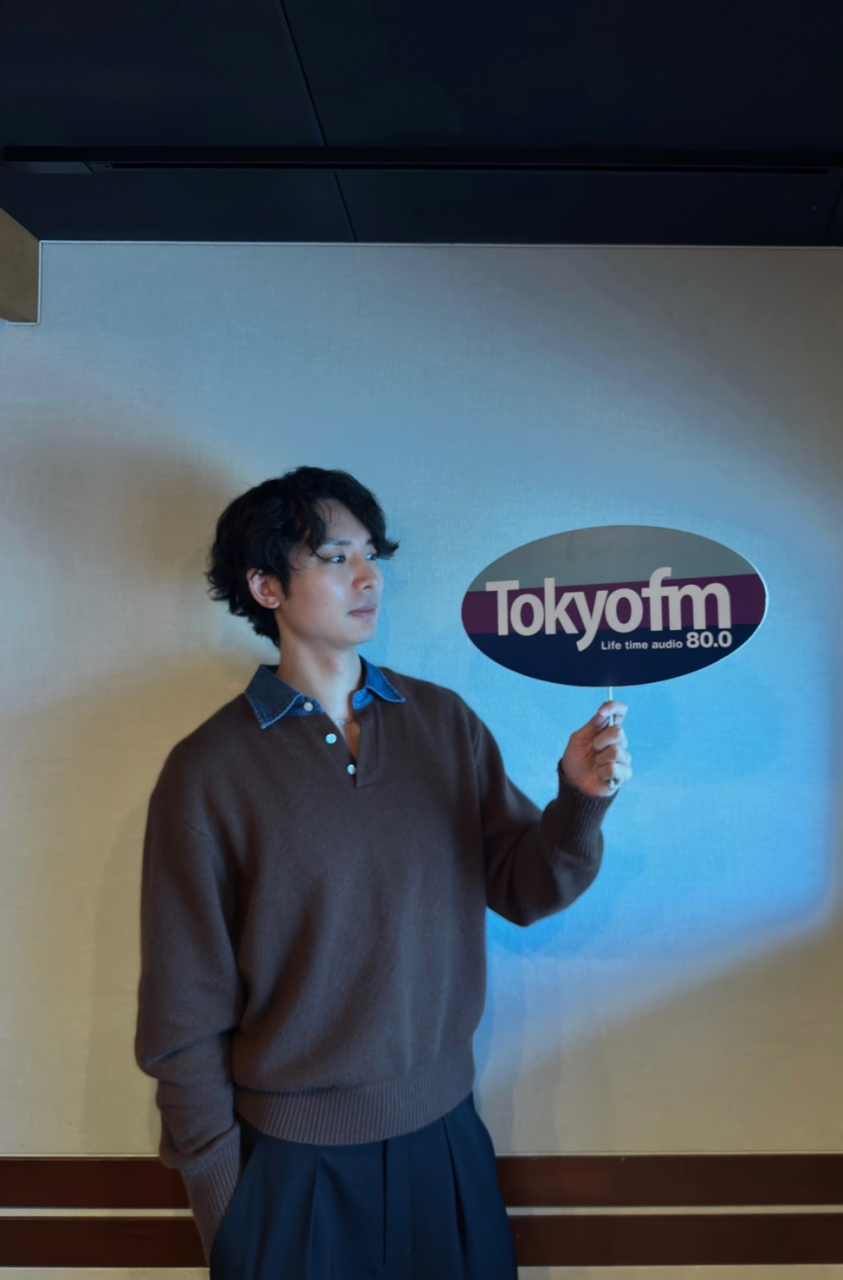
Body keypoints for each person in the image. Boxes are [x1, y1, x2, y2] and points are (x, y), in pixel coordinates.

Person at [134, 466, 631, 1279]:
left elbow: (525, 889)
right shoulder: (209, 771)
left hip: (446, 1142)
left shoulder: (444, 725)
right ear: (266, 587)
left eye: (371, 555)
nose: (368, 578)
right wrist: (227, 1211)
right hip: (289, 1169)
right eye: (336, 559)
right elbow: (181, 1014)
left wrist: (578, 800)